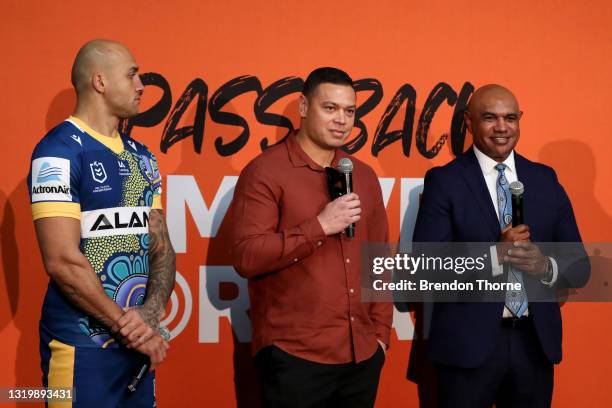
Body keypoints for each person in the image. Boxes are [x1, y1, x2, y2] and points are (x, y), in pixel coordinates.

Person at [412, 84, 590, 407]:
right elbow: (427, 267)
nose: (502, 127)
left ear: (520, 120)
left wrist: (545, 266)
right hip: (467, 349)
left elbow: (579, 265)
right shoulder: (445, 181)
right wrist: (496, 255)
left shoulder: (544, 179)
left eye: (510, 118)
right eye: (489, 117)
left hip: (534, 347)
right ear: (469, 121)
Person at [230, 67, 392, 408]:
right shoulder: (266, 171)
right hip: (294, 356)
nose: (341, 120)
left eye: (349, 111)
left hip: (361, 356)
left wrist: (379, 336)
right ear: (303, 107)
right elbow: (246, 256)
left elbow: (378, 261)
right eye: (329, 108)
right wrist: (319, 226)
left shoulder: (362, 175)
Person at [28, 39, 176, 407]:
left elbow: (161, 246)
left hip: (135, 349)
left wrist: (151, 314)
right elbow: (62, 260)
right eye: (132, 74)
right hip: (82, 348)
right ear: (100, 81)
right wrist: (133, 331)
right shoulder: (57, 152)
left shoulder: (142, 156)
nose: (141, 85)